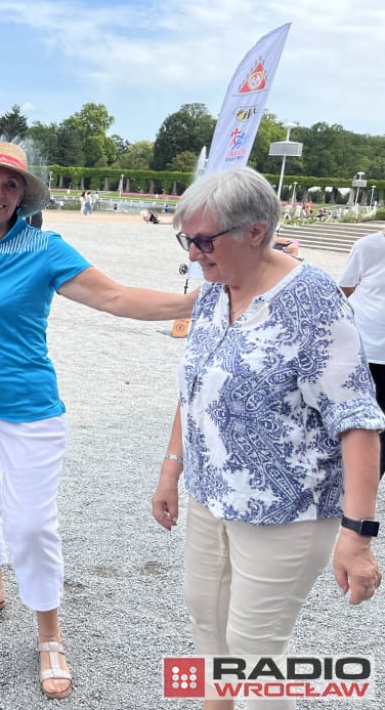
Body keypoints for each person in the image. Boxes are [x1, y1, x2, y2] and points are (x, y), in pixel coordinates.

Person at [0, 143, 195, 699]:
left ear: (23, 195)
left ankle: (50, 635)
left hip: (30, 408)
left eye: (10, 186)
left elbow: (116, 297)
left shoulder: (44, 247)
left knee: (32, 522)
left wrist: (196, 302)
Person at [151, 167, 383, 710]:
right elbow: (197, 387)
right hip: (211, 497)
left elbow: (357, 419)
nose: (194, 253)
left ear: (255, 231)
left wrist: (359, 534)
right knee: (207, 625)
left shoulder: (312, 300)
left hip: (289, 510)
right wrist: (170, 471)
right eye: (187, 239)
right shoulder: (215, 289)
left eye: (204, 240)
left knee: (257, 653)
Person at [339, 226, 385, 477]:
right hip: (362, 350)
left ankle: (362, 495)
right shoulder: (367, 246)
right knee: (354, 421)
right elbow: (343, 289)